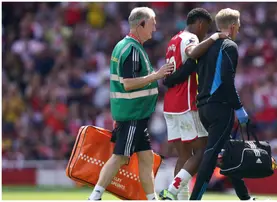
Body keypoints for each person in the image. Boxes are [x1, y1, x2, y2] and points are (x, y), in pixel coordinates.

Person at [88, 7, 174, 201]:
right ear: (140, 24)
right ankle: (94, 197)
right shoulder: (132, 49)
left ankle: (151, 199)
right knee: (120, 157)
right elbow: (128, 84)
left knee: (146, 158)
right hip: (133, 113)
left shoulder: (125, 46)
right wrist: (157, 75)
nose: (154, 28)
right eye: (152, 24)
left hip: (134, 113)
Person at [159, 8, 228, 200]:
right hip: (185, 102)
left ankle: (180, 198)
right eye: (205, 28)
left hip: (170, 104)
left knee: (184, 155)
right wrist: (214, 38)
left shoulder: (173, 40)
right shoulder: (190, 38)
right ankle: (171, 191)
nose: (205, 33)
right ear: (199, 23)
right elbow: (193, 52)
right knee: (202, 151)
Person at [189, 8, 254, 200]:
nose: (239, 31)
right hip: (220, 108)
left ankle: (244, 197)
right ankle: (195, 198)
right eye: (239, 27)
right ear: (233, 27)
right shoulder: (229, 46)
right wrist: (239, 108)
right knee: (211, 155)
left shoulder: (206, 45)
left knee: (228, 153)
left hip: (203, 108)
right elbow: (226, 81)